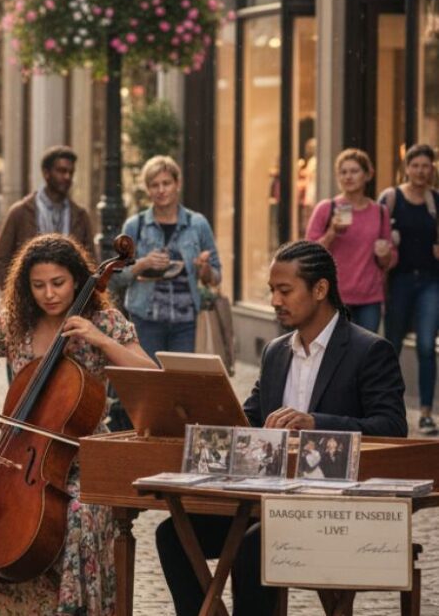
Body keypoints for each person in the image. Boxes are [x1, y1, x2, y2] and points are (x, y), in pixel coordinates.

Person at [155, 240, 407, 616]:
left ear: (320, 290)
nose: (275, 300)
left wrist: (315, 424)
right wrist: (195, 411)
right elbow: (250, 421)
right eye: (272, 290)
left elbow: (391, 428)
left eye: (284, 290)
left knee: (256, 543)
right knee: (172, 533)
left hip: (335, 515)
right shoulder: (275, 352)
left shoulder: (369, 351)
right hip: (264, 506)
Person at [0, 233, 155, 614]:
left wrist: (101, 341)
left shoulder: (106, 323)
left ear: (78, 280)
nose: (49, 294)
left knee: (79, 515)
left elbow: (151, 374)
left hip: (83, 462)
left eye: (58, 283)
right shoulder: (16, 324)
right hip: (21, 460)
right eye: (38, 285)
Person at [0, 145, 94, 324]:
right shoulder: (21, 212)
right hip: (27, 308)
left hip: (69, 308)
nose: (67, 177)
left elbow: (91, 264)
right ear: (46, 173)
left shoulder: (80, 216)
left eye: (70, 172)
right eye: (61, 171)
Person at [114, 155, 222, 358]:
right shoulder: (135, 226)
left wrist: (204, 268)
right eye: (154, 185)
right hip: (145, 319)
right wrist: (143, 264)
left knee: (179, 385)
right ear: (148, 189)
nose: (161, 190)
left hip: (186, 323)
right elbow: (116, 277)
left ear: (177, 184)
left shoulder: (197, 224)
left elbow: (216, 276)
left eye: (166, 183)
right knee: (149, 383)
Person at [379, 143, 439, 434]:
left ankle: (426, 412)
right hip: (399, 281)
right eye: (415, 165)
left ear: (432, 169)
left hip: (430, 280)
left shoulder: (435, 200)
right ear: (407, 168)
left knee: (427, 346)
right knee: (392, 345)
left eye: (426, 166)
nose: (420, 171)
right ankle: (389, 409)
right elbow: (374, 233)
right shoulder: (391, 198)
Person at [306, 148, 395, 332]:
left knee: (365, 356)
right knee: (337, 354)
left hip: (370, 298)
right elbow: (308, 254)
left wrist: (385, 254)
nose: (348, 176)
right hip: (334, 297)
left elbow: (389, 259)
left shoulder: (379, 212)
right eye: (343, 172)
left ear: (368, 175)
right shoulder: (327, 208)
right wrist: (331, 233)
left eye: (354, 171)